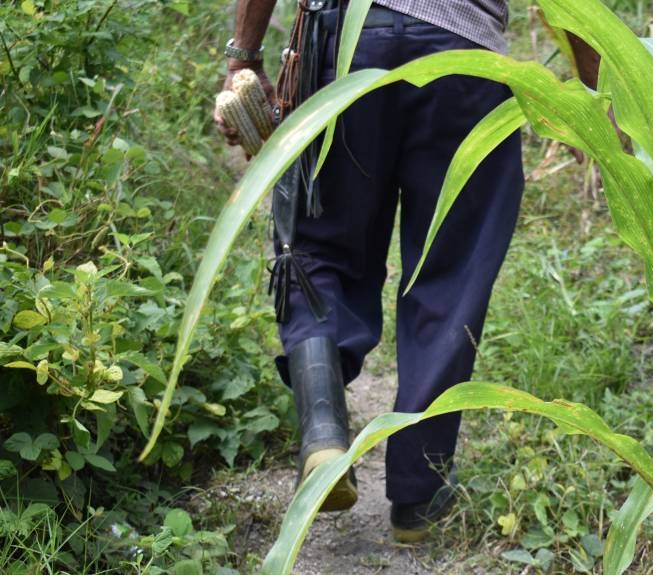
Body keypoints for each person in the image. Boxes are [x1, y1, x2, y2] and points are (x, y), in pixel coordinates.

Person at [214, 0, 525, 543]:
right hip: (464, 58)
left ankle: (326, 435)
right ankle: (418, 494)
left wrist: (244, 56)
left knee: (319, 244)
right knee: (449, 272)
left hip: (348, 45)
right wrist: (596, 102)